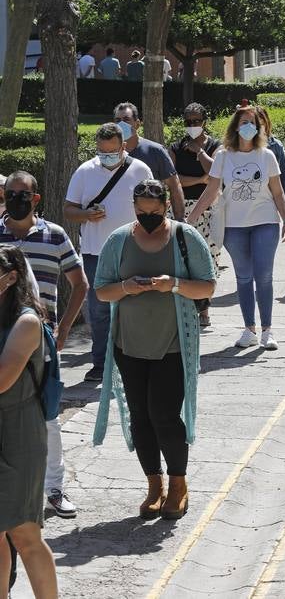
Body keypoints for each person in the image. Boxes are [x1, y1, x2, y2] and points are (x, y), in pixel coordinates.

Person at [92, 180, 215, 521]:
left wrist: (172, 284)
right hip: (128, 345)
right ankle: (153, 484)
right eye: (141, 212)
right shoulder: (119, 240)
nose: (148, 218)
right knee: (141, 419)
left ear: (165, 206)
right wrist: (126, 288)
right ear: (133, 208)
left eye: (155, 212)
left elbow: (208, 285)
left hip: (172, 345)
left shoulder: (184, 237)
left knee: (164, 416)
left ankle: (178, 484)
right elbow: (102, 291)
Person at [0, 171, 88, 519]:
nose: (16, 198)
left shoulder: (54, 235)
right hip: (2, 335)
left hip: (41, 340)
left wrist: (64, 329)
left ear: (36, 198)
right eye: (11, 193)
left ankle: (54, 488)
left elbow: (80, 283)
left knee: (48, 413)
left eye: (24, 194)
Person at [188, 107, 285, 351]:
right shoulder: (223, 156)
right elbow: (211, 190)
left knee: (264, 276)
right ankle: (249, 330)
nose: (248, 126)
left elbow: (278, 191)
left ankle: (267, 330)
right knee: (243, 277)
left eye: (252, 123)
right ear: (235, 126)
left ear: (259, 127)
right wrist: (191, 218)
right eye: (244, 122)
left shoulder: (266, 155)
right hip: (233, 226)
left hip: (265, 222)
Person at [64, 123, 152, 383]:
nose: (107, 157)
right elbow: (69, 209)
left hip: (132, 250)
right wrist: (86, 215)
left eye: (112, 152)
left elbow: (153, 208)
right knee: (99, 310)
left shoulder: (140, 170)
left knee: (134, 307)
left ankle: (135, 362)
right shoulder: (84, 172)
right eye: (102, 152)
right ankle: (101, 363)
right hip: (95, 253)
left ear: (123, 146)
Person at [0, 246, 59, 599]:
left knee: (24, 534)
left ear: (10, 278)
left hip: (19, 431)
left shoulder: (27, 322)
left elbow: (3, 380)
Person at [168, 103, 223, 294]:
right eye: (188, 121)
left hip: (208, 209)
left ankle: (205, 304)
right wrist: (201, 179)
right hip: (181, 209)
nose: (192, 125)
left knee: (209, 256)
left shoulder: (215, 146)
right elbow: (174, 180)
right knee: (183, 258)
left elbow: (215, 172)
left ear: (204, 122)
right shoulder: (176, 148)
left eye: (196, 121)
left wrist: (199, 152)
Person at [113, 102, 185, 222]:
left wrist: (180, 220)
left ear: (137, 124)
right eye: (118, 120)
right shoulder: (109, 153)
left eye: (126, 119)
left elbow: (174, 185)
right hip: (118, 221)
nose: (121, 124)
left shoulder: (155, 151)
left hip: (150, 221)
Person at [255, 106, 285, 211]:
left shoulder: (276, 146)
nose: (259, 128)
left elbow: (283, 176)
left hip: (270, 201)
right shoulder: (243, 146)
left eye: (262, 124)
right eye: (256, 124)